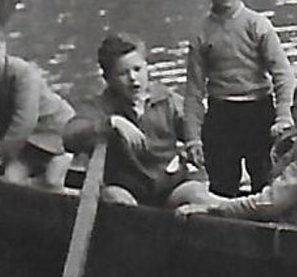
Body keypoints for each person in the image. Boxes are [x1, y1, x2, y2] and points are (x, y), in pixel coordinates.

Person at [184, 0, 295, 197]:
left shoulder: (257, 25)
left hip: (258, 112)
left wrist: (283, 116)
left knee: (267, 184)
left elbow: (283, 75)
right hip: (222, 114)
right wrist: (192, 138)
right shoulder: (202, 33)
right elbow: (193, 91)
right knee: (222, 187)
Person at [62, 32, 211, 207]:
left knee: (198, 195)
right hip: (127, 189)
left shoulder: (165, 99)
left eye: (137, 69)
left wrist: (196, 144)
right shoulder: (100, 107)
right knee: (116, 200)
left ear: (146, 67)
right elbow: (69, 137)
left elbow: (199, 129)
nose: (133, 79)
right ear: (107, 79)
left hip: (170, 186)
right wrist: (112, 123)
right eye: (123, 73)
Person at [176, 72, 297, 225]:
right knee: (192, 191)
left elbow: (272, 203)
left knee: (190, 195)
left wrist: (214, 207)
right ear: (292, 111)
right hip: (289, 217)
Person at [0, 19, 74, 188]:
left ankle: (63, 162)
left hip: (59, 135)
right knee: (11, 181)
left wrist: (1, 155)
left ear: (4, 47)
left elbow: (25, 120)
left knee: (52, 181)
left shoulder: (24, 73)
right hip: (27, 146)